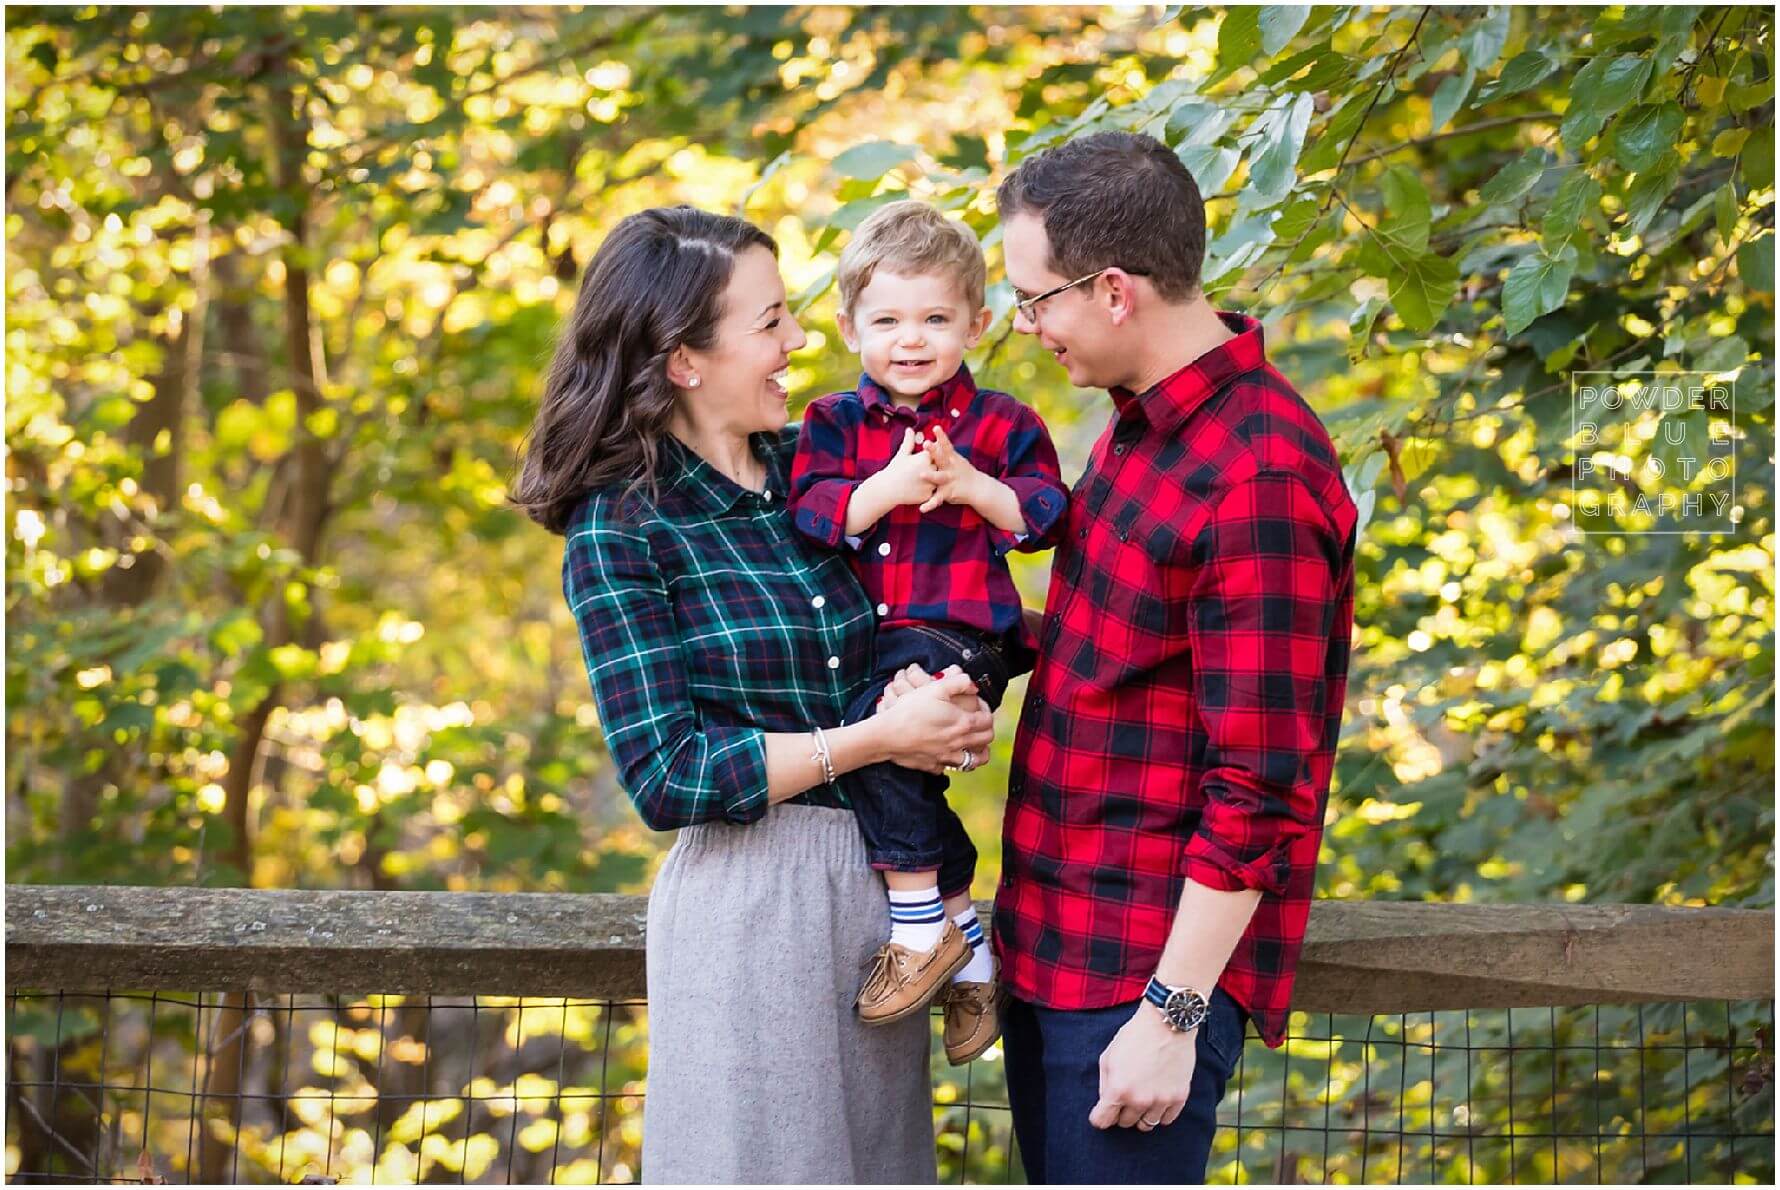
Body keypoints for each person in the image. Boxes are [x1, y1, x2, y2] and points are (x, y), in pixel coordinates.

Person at [888, 130, 1360, 1183]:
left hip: (1141, 977)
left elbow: (1259, 786)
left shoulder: (1259, 475)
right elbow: (1118, 660)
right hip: (1053, 945)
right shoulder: (1138, 430)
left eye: (1033, 297)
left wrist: (1170, 1011)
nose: (1024, 324)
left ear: (1110, 290)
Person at [512, 204, 997, 1184]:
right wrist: (877, 737)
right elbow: (668, 774)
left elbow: (927, 601)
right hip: (750, 906)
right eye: (770, 321)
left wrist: (946, 702)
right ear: (685, 359)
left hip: (883, 907)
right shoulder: (622, 528)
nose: (801, 340)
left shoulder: (826, 464)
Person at [787, 200, 1068, 1063]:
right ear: (848, 326)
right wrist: (888, 487)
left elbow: (1049, 516)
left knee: (871, 746)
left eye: (936, 318)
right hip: (871, 643)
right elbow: (811, 513)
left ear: (976, 323)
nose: (911, 339)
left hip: (963, 635)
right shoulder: (831, 421)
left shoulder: (1003, 422)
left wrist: (977, 487)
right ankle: (967, 938)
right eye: (888, 320)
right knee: (880, 753)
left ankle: (915, 928)